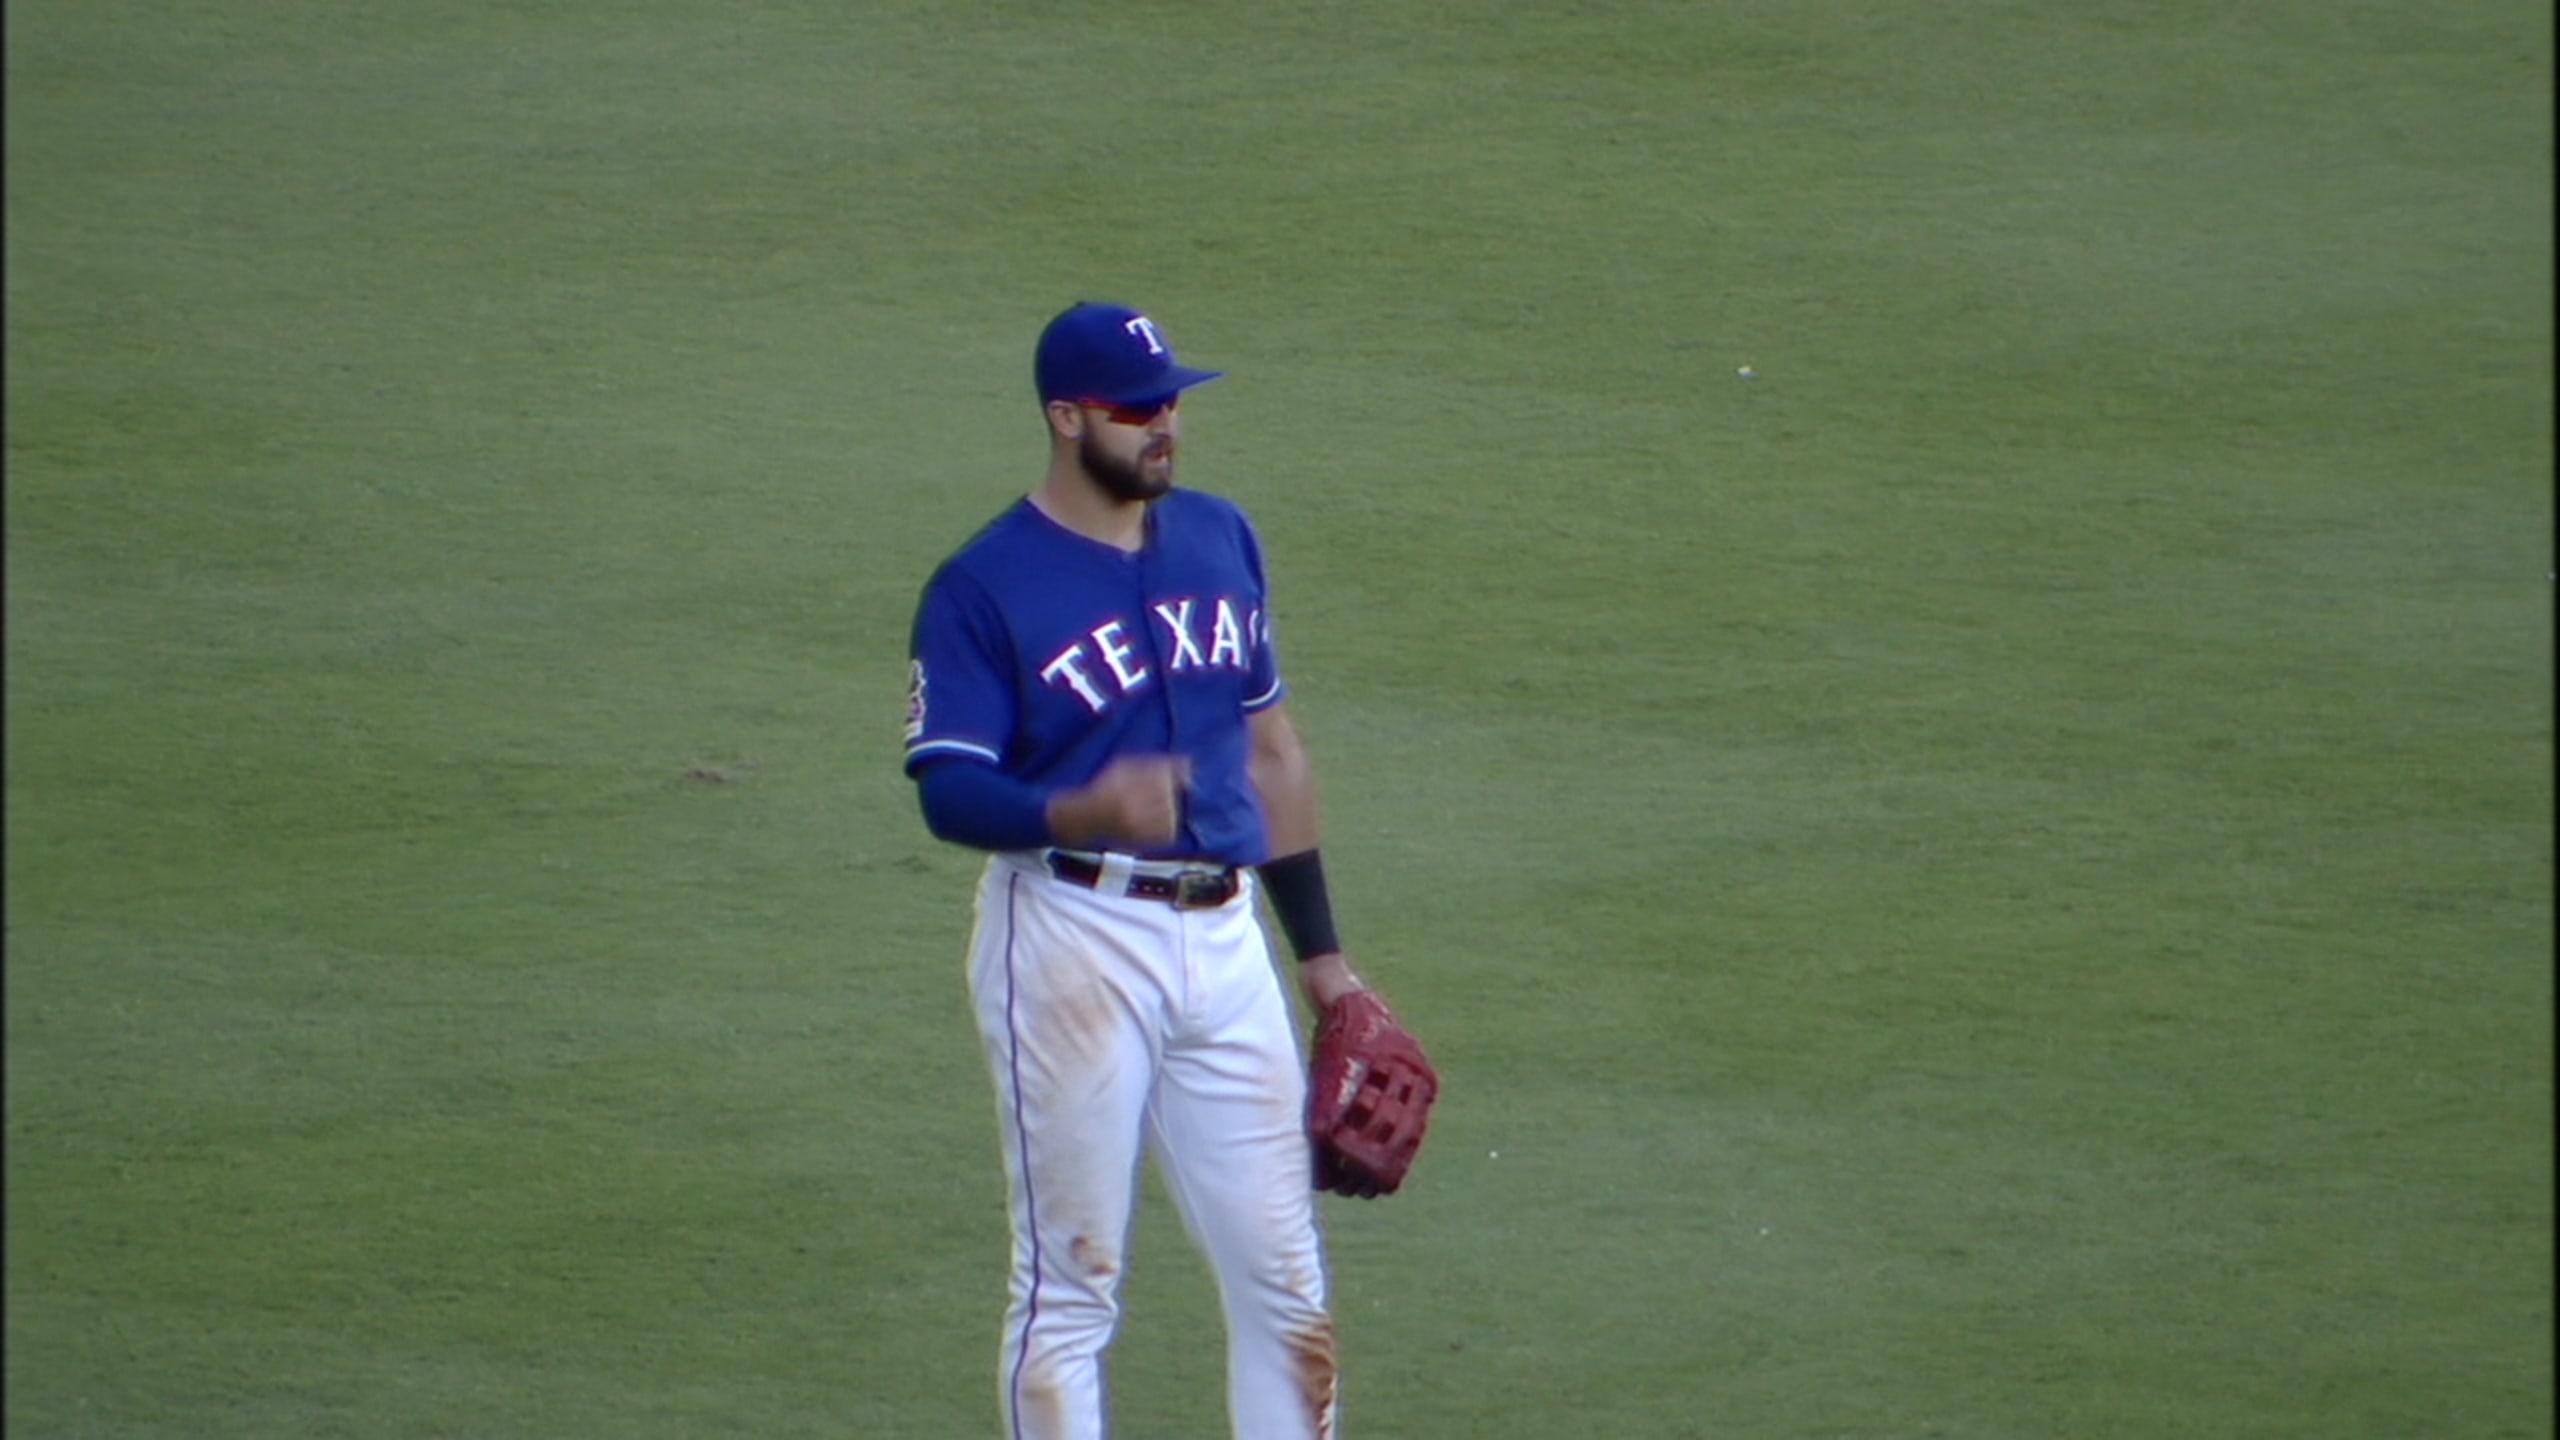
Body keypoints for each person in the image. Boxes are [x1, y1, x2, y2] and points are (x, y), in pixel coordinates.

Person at [902, 301, 1375, 1440]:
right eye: (1137, 408)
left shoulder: (1220, 538)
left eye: (1173, 401)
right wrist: (1075, 804)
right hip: (1070, 936)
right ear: (1067, 419)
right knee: (1073, 1282)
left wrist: (1324, 963)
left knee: (1285, 1281)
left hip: (1226, 942)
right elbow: (947, 786)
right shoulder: (981, 587)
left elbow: (1273, 751)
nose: (1165, 424)